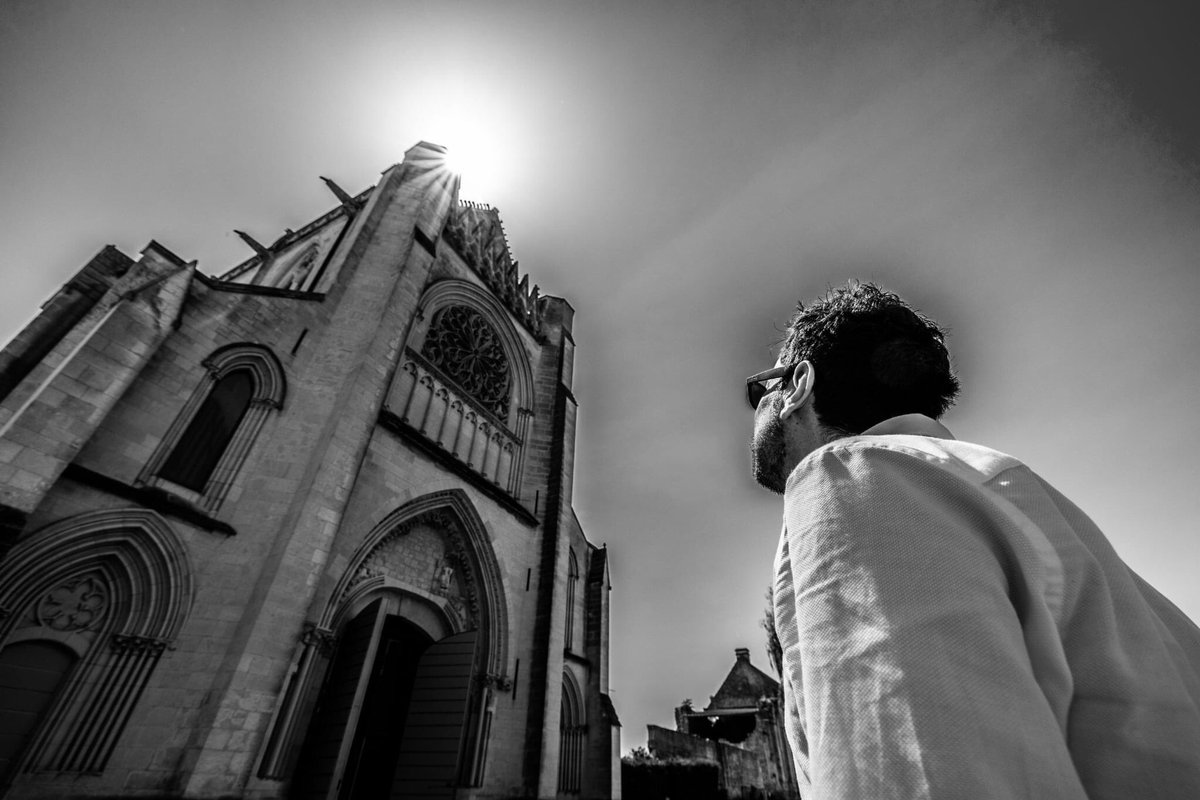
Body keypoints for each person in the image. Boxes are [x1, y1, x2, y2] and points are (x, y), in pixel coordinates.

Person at [749, 282, 1200, 799]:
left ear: (799, 383)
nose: (756, 411)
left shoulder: (854, 479)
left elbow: (920, 773)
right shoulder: (1010, 495)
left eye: (758, 391)